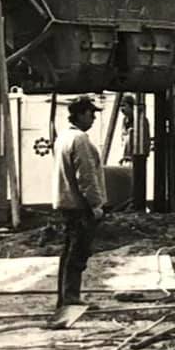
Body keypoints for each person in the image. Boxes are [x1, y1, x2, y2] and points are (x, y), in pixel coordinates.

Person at [54, 95, 107, 308]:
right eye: (91, 113)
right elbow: (85, 175)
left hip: (66, 202)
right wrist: (95, 204)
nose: (93, 118)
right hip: (80, 204)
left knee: (68, 252)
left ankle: (65, 297)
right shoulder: (80, 139)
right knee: (78, 253)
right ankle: (71, 298)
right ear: (81, 114)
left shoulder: (63, 137)